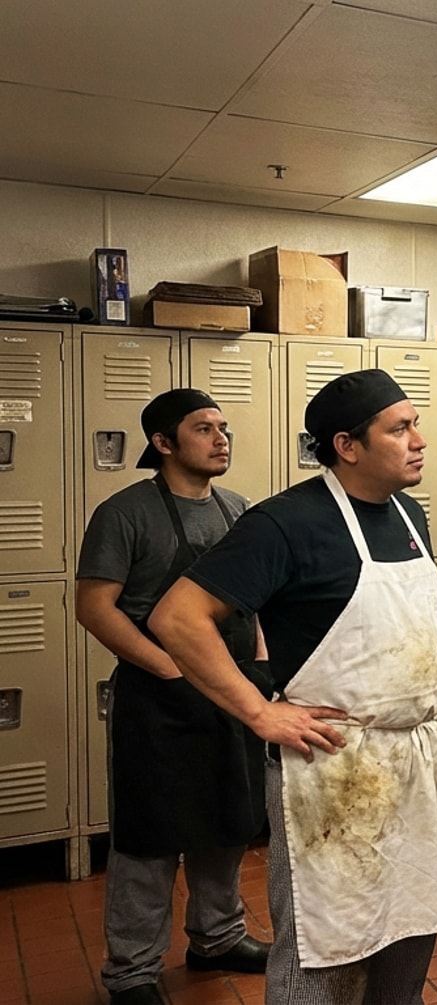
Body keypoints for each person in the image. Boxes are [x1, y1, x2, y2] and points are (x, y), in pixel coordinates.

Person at [150, 370, 437, 1005]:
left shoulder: (410, 513)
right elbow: (177, 619)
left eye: (414, 423)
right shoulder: (285, 523)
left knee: (413, 926)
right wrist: (260, 712)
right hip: (333, 766)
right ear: (347, 445)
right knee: (330, 949)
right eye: (399, 429)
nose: (419, 440)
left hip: (417, 760)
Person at [75, 390, 270, 1005]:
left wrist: (260, 665)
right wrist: (168, 667)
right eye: (203, 429)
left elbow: (251, 597)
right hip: (159, 702)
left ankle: (218, 936)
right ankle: (132, 972)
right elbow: (92, 607)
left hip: (232, 689)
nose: (221, 439)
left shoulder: (238, 509)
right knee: (150, 838)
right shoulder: (124, 513)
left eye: (223, 427)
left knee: (228, 822)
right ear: (162, 443)